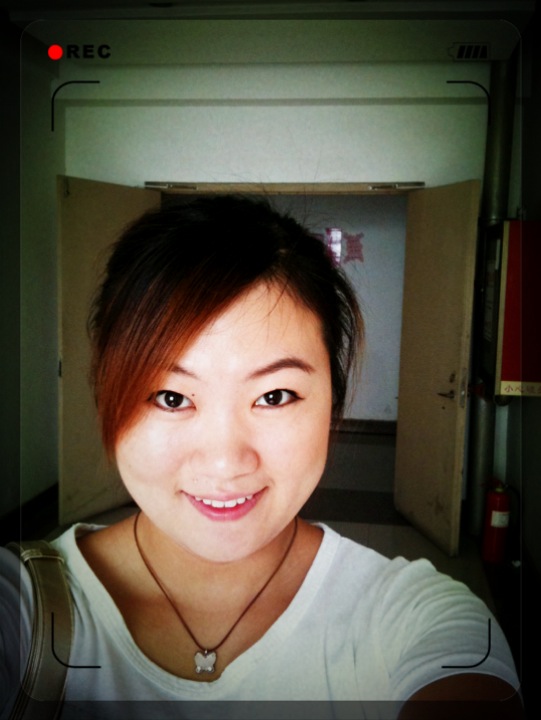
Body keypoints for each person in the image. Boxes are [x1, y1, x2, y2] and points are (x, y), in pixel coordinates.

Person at [1, 195, 521, 719]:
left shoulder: (417, 618)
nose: (225, 462)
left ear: (333, 402)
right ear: (105, 394)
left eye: (274, 396)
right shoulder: (23, 605)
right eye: (171, 397)